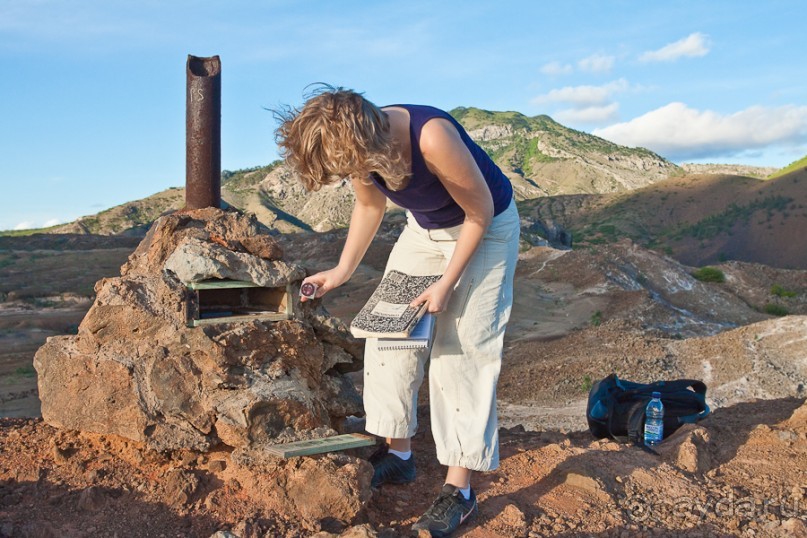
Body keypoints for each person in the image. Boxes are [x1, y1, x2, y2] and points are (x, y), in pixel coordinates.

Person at [276, 85, 519, 537]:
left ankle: (460, 490)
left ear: (364, 142)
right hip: (423, 233)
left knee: (460, 354)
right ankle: (400, 455)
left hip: (484, 232)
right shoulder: (358, 142)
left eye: (346, 168)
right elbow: (370, 204)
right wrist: (342, 270)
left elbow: (480, 213)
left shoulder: (432, 137)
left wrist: (447, 283)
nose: (348, 174)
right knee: (388, 335)